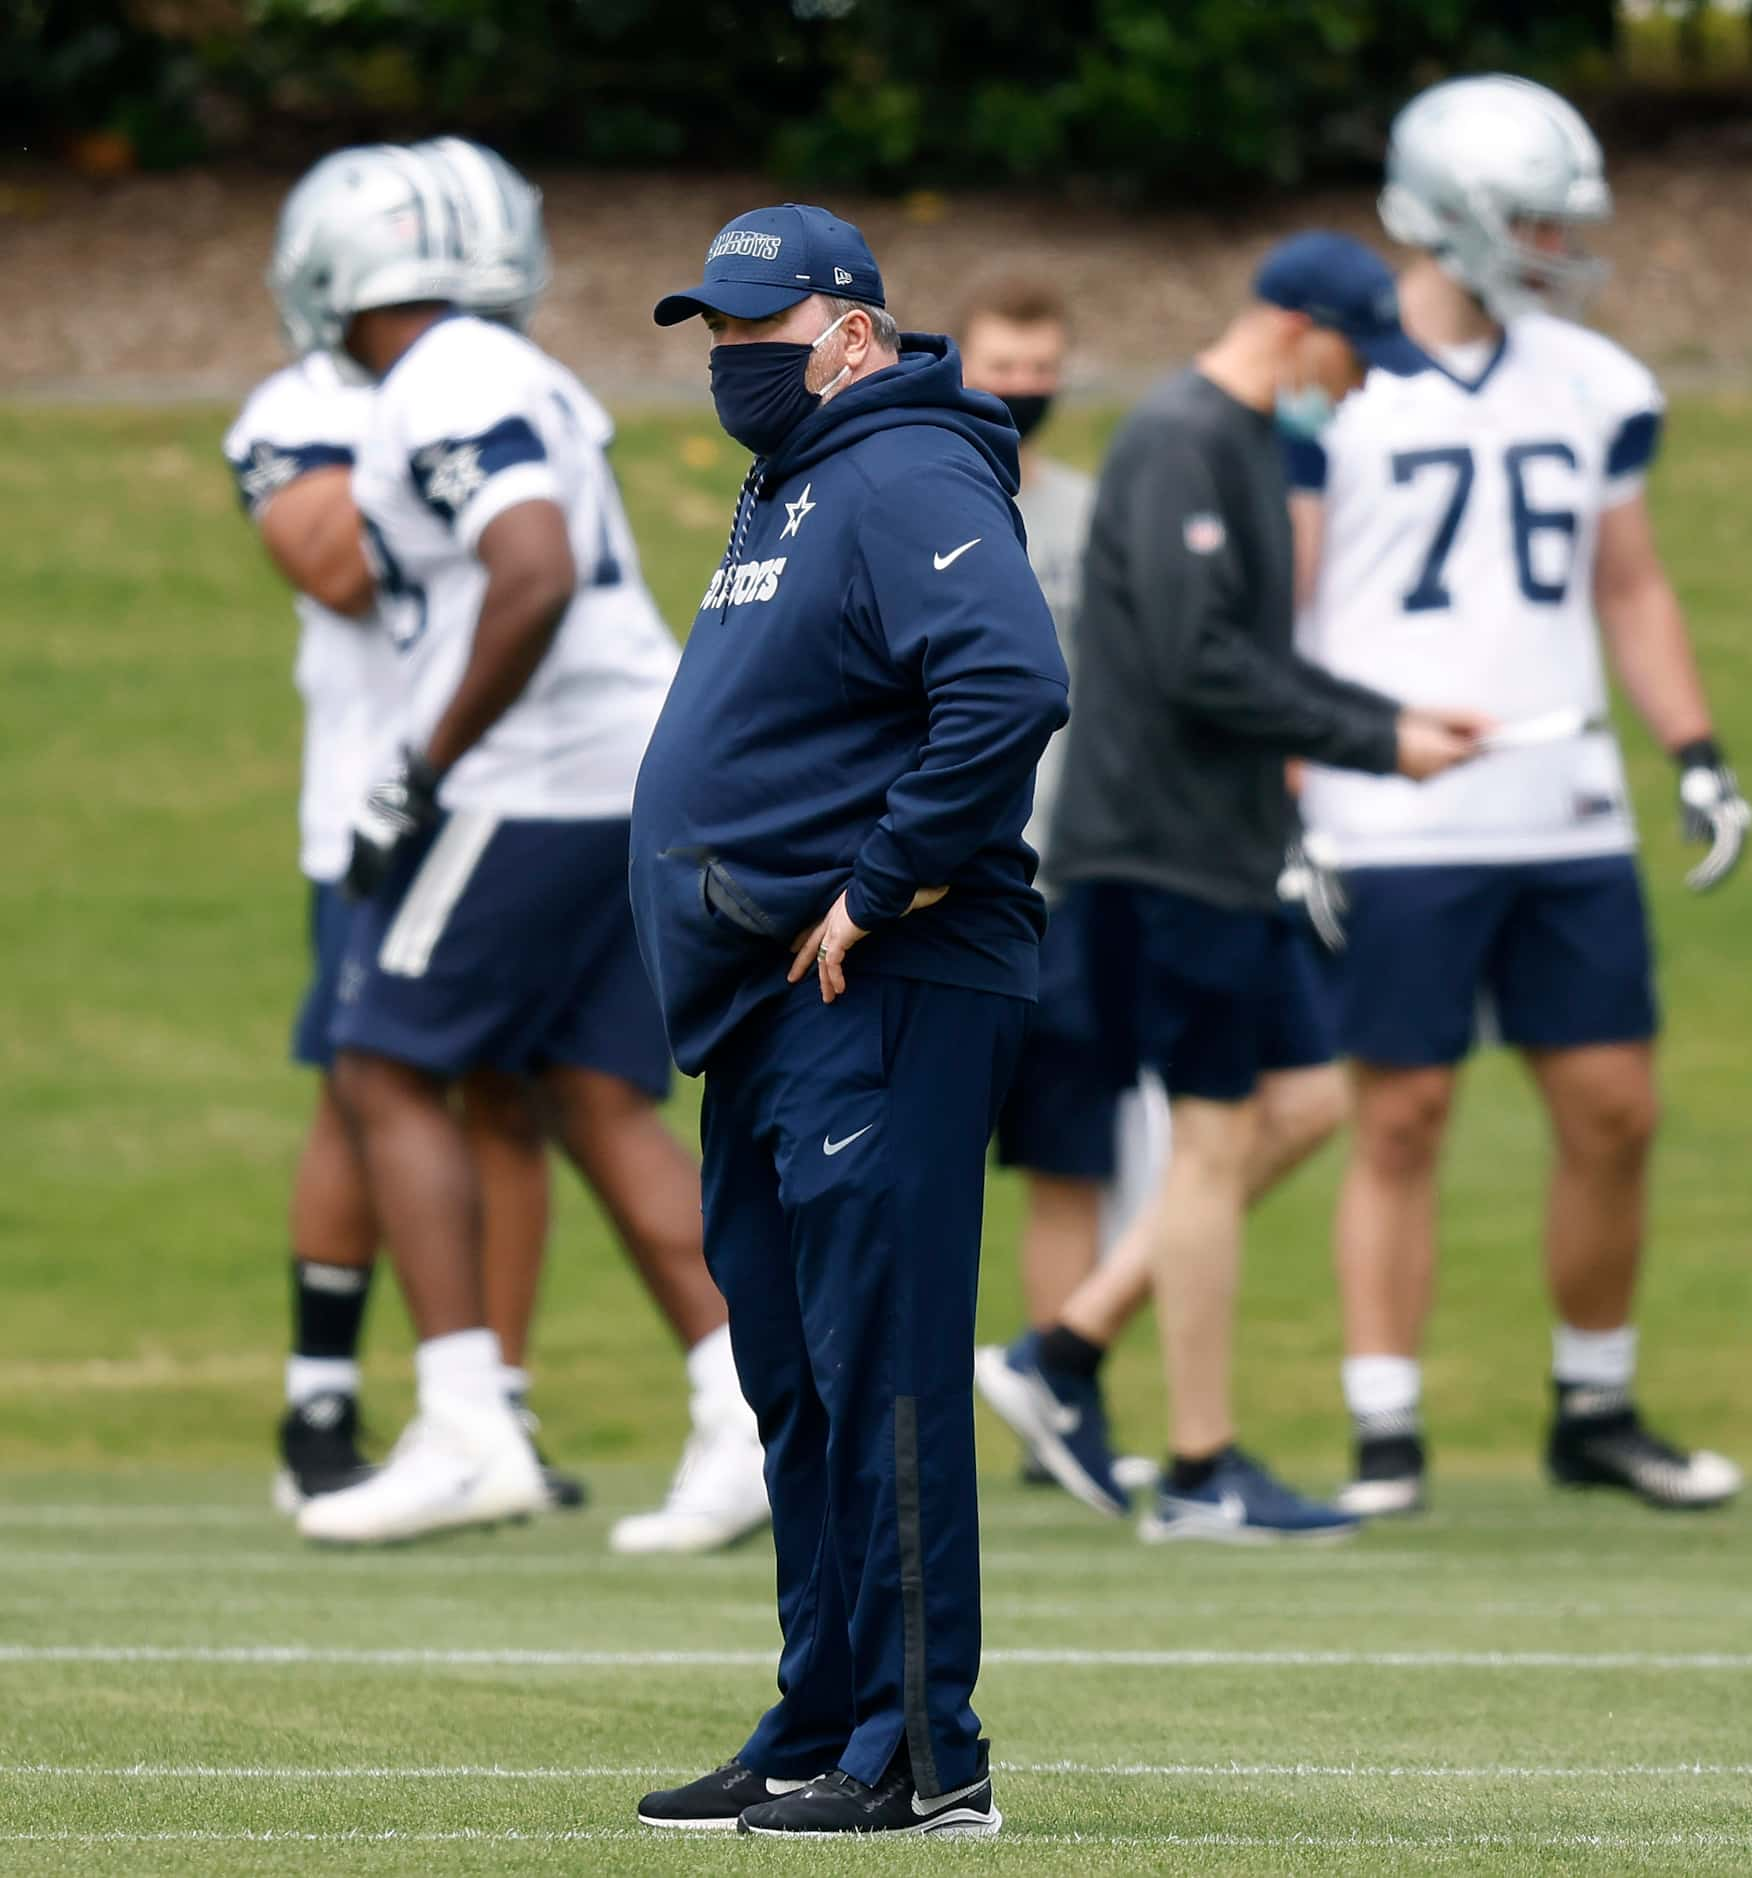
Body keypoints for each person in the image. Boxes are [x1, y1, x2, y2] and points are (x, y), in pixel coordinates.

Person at [629, 204, 1066, 1837]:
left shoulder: (903, 469)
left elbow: (1009, 682)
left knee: (879, 1368)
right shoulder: (798, 478)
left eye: (760, 329)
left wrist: (877, 886)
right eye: (716, 334)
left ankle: (920, 1747)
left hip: (877, 988)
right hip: (767, 1003)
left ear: (857, 331)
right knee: (797, 1378)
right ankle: (820, 1713)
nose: (734, 360)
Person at [263, 145, 764, 1552]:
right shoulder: (514, 371)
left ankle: (466, 1415)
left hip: (525, 778)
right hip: (622, 765)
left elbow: (529, 566)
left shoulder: (446, 377)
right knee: (594, 1097)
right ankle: (744, 1410)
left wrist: (420, 762)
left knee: (380, 1060)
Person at [1291, 76, 1752, 1519]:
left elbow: (1629, 581)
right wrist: (1295, 795)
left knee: (1614, 1106)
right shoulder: (1328, 383)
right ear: (1449, 216)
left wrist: (1692, 745)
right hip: (1392, 803)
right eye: (1534, 216)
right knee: (1401, 1111)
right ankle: (1384, 1427)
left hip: (1560, 800)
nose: (1557, 241)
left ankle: (1593, 1405)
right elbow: (1281, 607)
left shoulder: (1592, 381)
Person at [981, 231, 1485, 1545]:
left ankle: (1067, 1346)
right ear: (1294, 324)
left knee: (1308, 1099)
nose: (1361, 386)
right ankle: (1198, 1466)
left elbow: (1249, 656)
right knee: (1208, 1143)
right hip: (1155, 848)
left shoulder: (1248, 441)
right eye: (1352, 358)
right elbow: (1198, 661)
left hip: (1227, 847)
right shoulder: (1179, 440)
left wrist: (1394, 720)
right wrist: (1380, 740)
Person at [952, 274, 1160, 1411]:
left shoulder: (1091, 509)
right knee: (912, 1165)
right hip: (933, 883)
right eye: (1001, 368)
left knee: (1068, 1157)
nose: (1022, 390)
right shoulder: (920, 504)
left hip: (1068, 884)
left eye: (1040, 370)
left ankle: (1056, 1401)